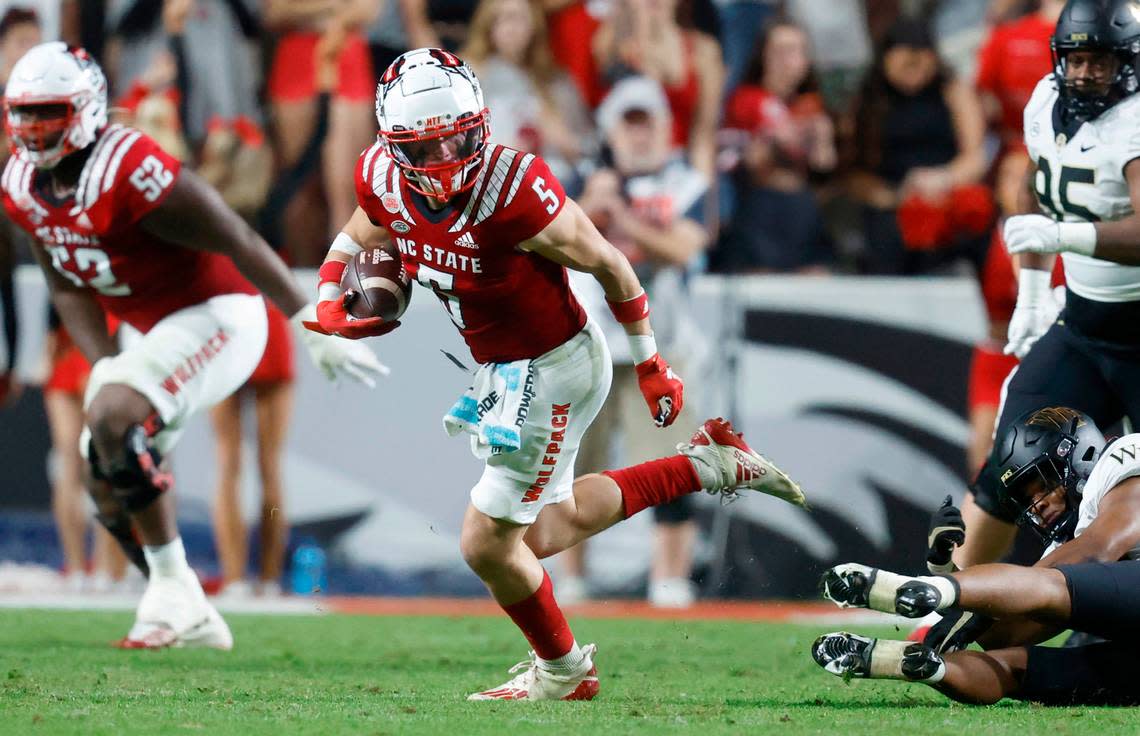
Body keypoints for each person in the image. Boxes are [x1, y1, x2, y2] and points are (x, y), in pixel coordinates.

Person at [306, 48, 806, 700]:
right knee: (545, 531)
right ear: (394, 147)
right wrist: (324, 299)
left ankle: (567, 670)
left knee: (486, 544)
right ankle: (707, 465)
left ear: (479, 122)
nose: (447, 158)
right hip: (504, 369)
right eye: (425, 149)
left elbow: (610, 265)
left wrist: (651, 361)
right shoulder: (380, 173)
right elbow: (363, 231)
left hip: (556, 363)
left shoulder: (512, 188)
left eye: (457, 137)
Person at [0, 42, 385, 648]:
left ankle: (179, 597)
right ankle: (179, 597)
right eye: (22, 113)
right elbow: (63, 281)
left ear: (85, 109)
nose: (32, 127)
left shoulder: (127, 166)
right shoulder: (21, 184)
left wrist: (311, 319)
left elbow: (235, 235)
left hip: (219, 315)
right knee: (103, 470)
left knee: (110, 420)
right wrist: (108, 364)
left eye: (47, 112)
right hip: (150, 327)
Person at [954, 0, 1140, 570]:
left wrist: (1062, 234)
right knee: (1008, 470)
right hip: (1082, 326)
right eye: (1076, 59)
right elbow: (1033, 193)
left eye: (1100, 61)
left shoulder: (1133, 118)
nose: (1085, 73)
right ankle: (950, 609)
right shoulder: (1043, 101)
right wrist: (1034, 289)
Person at [812, 406, 1140, 705]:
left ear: (1080, 452)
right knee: (1013, 668)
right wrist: (947, 570)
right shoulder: (1070, 545)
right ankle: (917, 664)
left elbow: (1099, 550)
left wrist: (964, 601)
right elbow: (1008, 636)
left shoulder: (1123, 457)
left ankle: (925, 588)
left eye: (1042, 483)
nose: (1037, 504)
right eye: (1027, 498)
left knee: (1051, 585)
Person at [561, 76, 712, 608]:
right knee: (573, 466)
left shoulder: (688, 184)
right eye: (630, 125)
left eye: (648, 124)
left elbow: (683, 247)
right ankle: (572, 578)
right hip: (588, 343)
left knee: (672, 465)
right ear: (611, 132)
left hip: (658, 344)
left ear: (666, 130)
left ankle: (669, 580)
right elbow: (544, 245)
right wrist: (587, 207)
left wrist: (619, 217)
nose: (640, 137)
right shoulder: (576, 181)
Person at [844, 17, 988, 274]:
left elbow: (975, 157)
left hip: (945, 193)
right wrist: (895, 196)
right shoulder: (868, 99)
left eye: (920, 62)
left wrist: (942, 179)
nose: (914, 71)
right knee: (888, 237)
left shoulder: (952, 90)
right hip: (890, 201)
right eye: (905, 63)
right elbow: (854, 172)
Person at [716, 17, 836, 273]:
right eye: (780, 51)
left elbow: (824, 164)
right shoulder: (749, 100)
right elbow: (750, 161)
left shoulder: (809, 104)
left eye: (796, 51)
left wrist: (821, 136)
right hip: (761, 211)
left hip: (802, 209)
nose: (788, 60)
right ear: (763, 56)